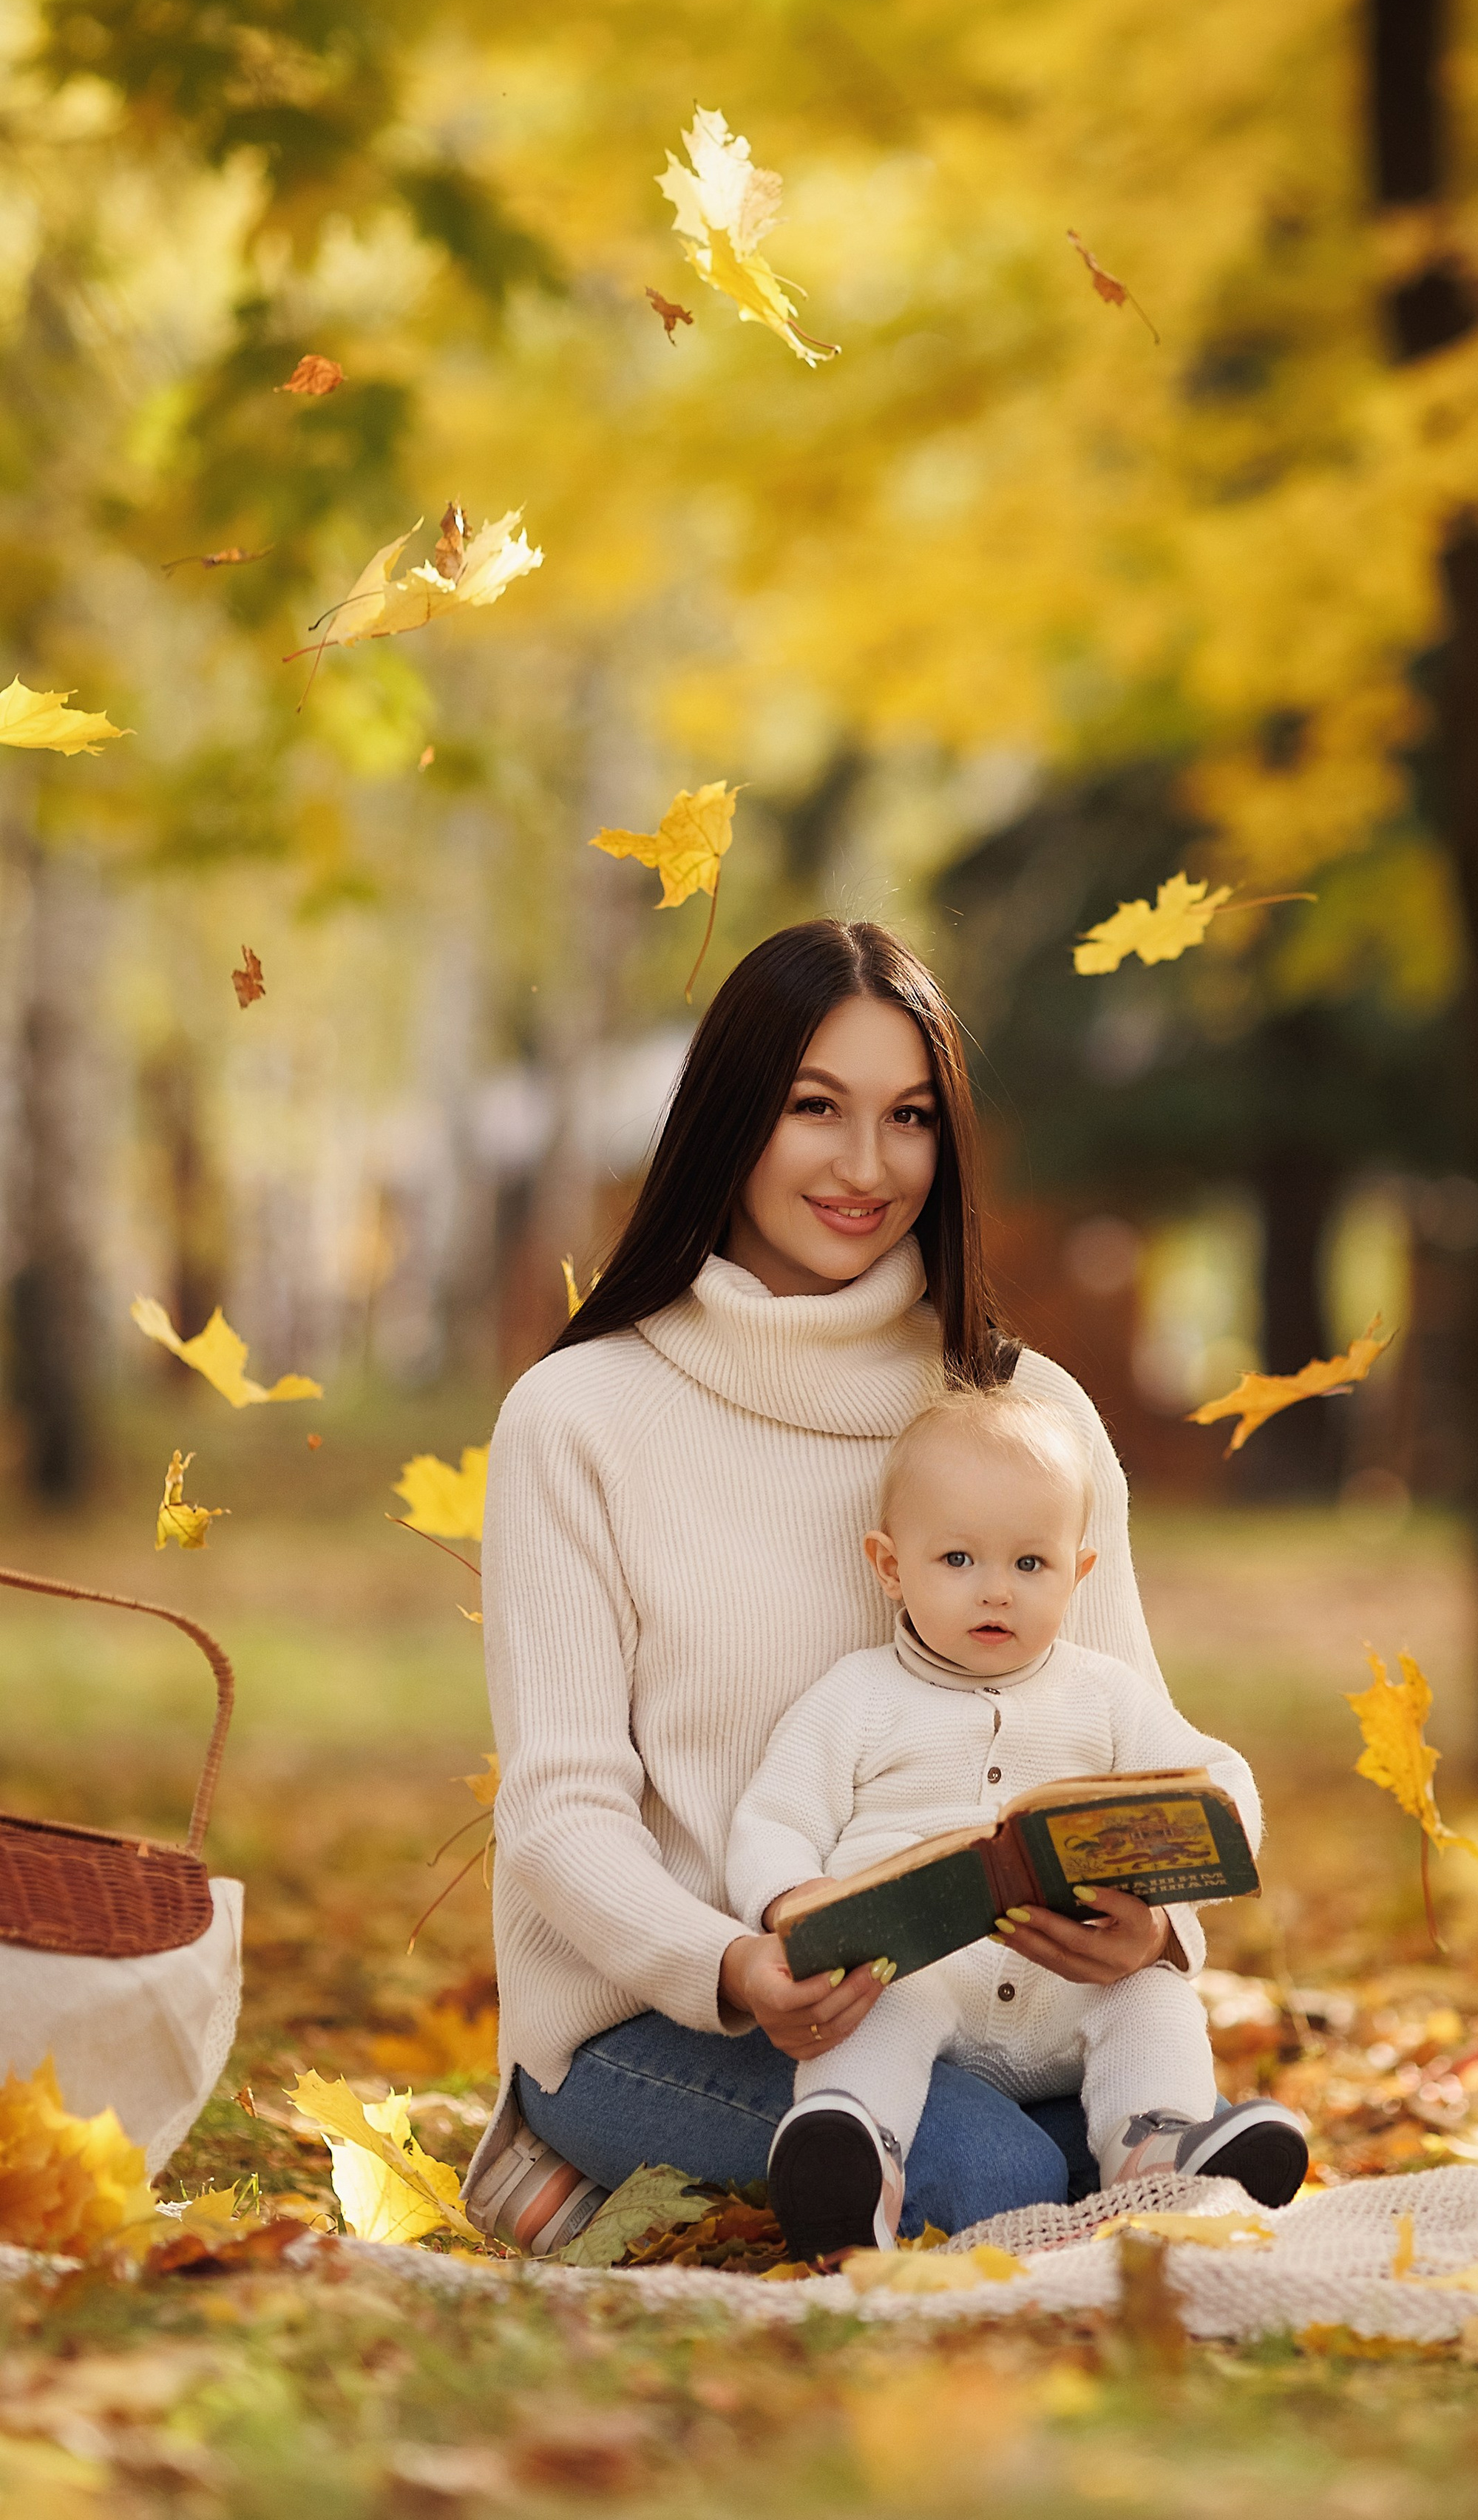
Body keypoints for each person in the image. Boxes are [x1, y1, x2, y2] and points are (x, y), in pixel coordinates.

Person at [463, 918, 1276, 2254]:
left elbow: (1141, 1734)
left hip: (994, 2005)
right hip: (660, 2021)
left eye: (907, 1117)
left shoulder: (1028, 1414)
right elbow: (559, 1818)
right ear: (732, 1119)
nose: (865, 1166)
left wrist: (1158, 1926)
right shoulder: (580, 1416)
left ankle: (1093, 2166)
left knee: (1144, 2137)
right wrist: (735, 1967)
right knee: (1006, 2181)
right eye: (814, 1109)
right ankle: (570, 2165)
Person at [726, 1386, 1309, 2260]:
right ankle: (854, 2154)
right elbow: (773, 1817)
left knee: (1152, 1995)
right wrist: (799, 1902)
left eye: (1029, 1565)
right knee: (877, 1998)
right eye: (957, 1559)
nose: (995, 1591)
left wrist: (1165, 1907)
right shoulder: (853, 1696)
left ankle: (1159, 2146)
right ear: (891, 1566)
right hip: (927, 1976)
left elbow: (1219, 1780)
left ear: (1077, 1573)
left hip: (1071, 1982)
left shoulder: (1105, 1693)